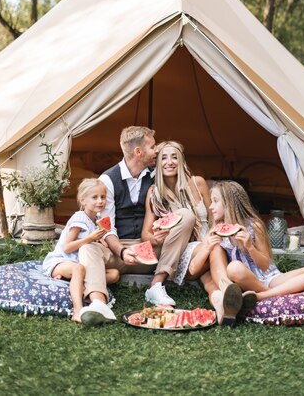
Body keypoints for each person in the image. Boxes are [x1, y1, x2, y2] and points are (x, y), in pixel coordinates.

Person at [78, 126, 196, 314]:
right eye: (152, 146)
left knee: (187, 216)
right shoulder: (108, 180)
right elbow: (106, 227)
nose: (156, 150)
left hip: (150, 250)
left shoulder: (155, 175)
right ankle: (98, 303)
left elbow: (180, 180)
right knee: (87, 248)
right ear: (138, 152)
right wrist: (122, 251)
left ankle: (156, 285)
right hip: (116, 252)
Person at [210, 180, 304, 302]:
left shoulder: (254, 226)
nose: (211, 206)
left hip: (270, 278)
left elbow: (265, 266)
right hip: (245, 278)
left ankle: (262, 296)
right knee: (234, 268)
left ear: (229, 203)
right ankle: (277, 292)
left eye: (215, 201)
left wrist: (250, 247)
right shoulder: (217, 231)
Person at [141, 140, 211, 301]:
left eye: (174, 157)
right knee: (186, 215)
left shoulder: (198, 182)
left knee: (212, 267)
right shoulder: (154, 193)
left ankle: (223, 300)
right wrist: (155, 239)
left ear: (181, 161)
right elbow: (145, 233)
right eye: (164, 158)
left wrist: (213, 239)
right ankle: (156, 283)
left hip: (205, 244)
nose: (170, 162)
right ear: (158, 164)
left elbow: (214, 217)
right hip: (179, 252)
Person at [42, 178, 118, 325]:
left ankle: (70, 281)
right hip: (61, 261)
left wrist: (98, 241)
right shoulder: (79, 218)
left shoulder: (95, 218)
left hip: (78, 263)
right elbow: (67, 247)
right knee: (79, 268)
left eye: (103, 197)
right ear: (83, 201)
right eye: (94, 197)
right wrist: (89, 239)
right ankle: (78, 310)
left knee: (114, 274)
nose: (100, 201)